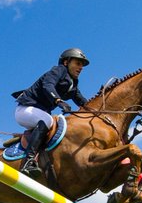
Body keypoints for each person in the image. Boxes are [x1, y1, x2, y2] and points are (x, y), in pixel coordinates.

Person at [12, 48, 90, 176]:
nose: (81, 67)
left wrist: (95, 110)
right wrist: (58, 101)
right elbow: (48, 86)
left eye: (82, 65)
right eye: (78, 63)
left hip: (38, 112)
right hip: (25, 109)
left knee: (52, 121)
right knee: (48, 120)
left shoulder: (73, 82)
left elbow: (81, 100)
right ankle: (28, 161)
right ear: (66, 62)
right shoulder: (58, 70)